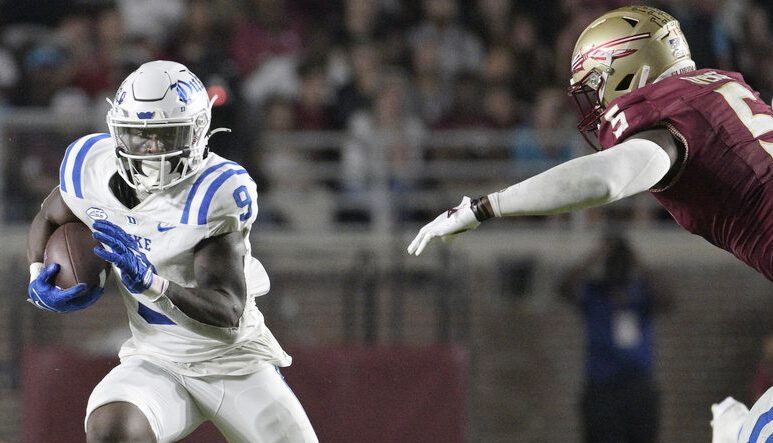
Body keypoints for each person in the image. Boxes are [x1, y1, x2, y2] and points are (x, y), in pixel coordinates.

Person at [25, 61, 318, 442]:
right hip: (156, 358)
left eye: (166, 135)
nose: (151, 149)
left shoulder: (213, 193)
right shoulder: (90, 168)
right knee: (110, 427)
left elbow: (227, 310)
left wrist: (150, 284)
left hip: (233, 363)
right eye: (139, 136)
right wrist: (36, 274)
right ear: (117, 132)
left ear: (197, 133)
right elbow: (49, 214)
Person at [406, 5, 773, 282]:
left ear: (626, 67)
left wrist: (484, 207)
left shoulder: (663, 113)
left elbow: (607, 179)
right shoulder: (722, 85)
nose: (597, 103)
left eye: (595, 85)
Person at [559, 233, 669, 443]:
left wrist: (637, 258)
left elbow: (667, 300)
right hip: (603, 388)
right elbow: (564, 288)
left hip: (638, 387)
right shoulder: (594, 292)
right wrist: (596, 255)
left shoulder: (641, 293)